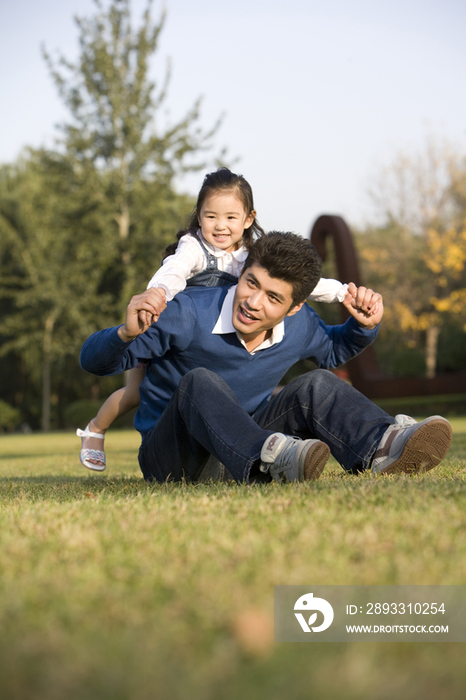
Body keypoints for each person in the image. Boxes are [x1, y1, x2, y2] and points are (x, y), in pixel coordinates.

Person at [79, 231, 452, 484]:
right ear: (242, 273)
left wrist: (364, 326)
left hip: (250, 435)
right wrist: (125, 333)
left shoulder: (302, 325)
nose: (253, 302)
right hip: (174, 458)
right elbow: (96, 363)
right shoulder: (188, 312)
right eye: (251, 283)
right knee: (199, 381)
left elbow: (333, 351)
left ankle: (384, 445)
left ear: (295, 307)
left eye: (273, 298)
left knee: (316, 384)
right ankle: (267, 461)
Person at [77, 169, 371, 472]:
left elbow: (313, 301)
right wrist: (153, 301)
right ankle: (95, 430)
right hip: (177, 446)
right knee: (158, 389)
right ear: (199, 216)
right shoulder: (192, 256)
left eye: (231, 218)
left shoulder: (253, 259)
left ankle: (384, 444)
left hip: (237, 433)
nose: (220, 226)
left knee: (319, 384)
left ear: (248, 219)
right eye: (211, 217)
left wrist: (347, 297)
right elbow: (174, 272)